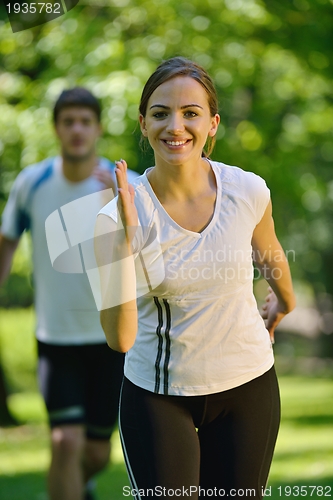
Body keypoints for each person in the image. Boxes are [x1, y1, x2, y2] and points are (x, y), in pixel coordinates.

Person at [95, 57, 296, 499]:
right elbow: (119, 339)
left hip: (249, 386)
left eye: (191, 113)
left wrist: (284, 301)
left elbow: (271, 255)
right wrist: (125, 244)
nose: (176, 126)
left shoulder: (248, 190)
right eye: (161, 113)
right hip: (159, 397)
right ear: (143, 124)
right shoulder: (115, 219)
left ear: (212, 124)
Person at [0, 87, 138, 500]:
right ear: (57, 129)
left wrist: (123, 206)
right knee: (64, 443)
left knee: (95, 453)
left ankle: (80, 486)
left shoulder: (120, 184)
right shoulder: (32, 183)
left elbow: (147, 253)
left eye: (85, 121)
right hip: (55, 338)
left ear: (97, 128)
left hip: (111, 341)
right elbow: (6, 242)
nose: (77, 129)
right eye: (68, 122)